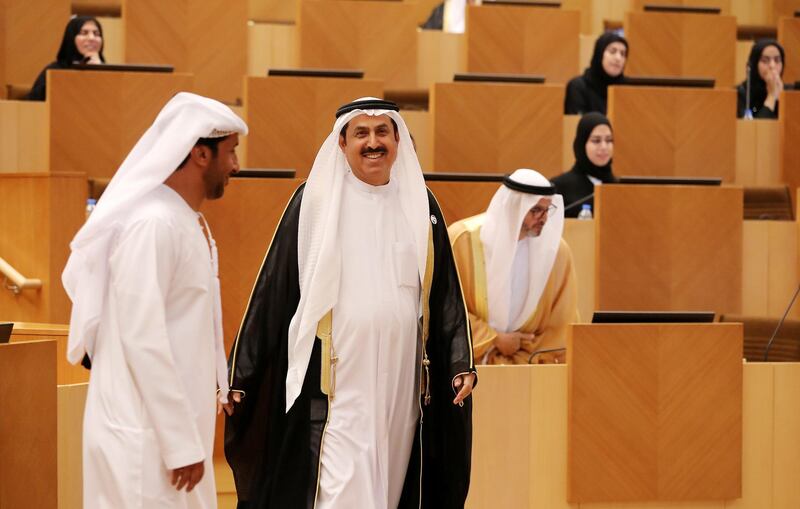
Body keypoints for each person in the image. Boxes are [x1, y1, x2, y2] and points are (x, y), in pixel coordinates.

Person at [224, 97, 476, 508]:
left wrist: (460, 360)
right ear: (342, 143)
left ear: (398, 141)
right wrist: (242, 369)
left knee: (392, 488)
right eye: (361, 133)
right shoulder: (316, 203)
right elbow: (273, 289)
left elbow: (445, 292)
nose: (372, 143)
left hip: (402, 383)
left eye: (382, 133)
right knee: (342, 490)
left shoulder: (421, 204)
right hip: (337, 384)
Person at [61, 92, 248, 508]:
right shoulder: (153, 224)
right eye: (231, 152)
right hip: (143, 438)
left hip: (165, 438)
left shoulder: (181, 219)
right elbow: (141, 337)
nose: (235, 165)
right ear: (201, 154)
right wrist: (180, 443)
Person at [448, 169, 578, 365]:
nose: (543, 218)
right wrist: (493, 339)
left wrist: (522, 354)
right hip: (467, 365)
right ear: (513, 207)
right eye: (535, 210)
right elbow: (446, 307)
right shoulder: (462, 240)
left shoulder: (557, 252)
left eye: (547, 210)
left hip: (530, 368)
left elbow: (562, 323)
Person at [551, 112, 617, 217]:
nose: (604, 147)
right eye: (596, 141)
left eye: (609, 140)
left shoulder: (617, 187)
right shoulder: (558, 188)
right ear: (581, 144)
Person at [27, 15, 106, 101]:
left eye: (96, 34)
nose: (91, 38)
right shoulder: (54, 71)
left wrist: (99, 70)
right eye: (84, 33)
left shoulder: (110, 73)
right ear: (71, 38)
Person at [564, 31, 628, 115]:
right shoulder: (578, 86)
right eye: (612, 51)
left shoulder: (627, 88)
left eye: (623, 54)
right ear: (599, 54)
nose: (618, 58)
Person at [737, 39, 786, 119]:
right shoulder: (742, 94)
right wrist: (772, 96)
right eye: (765, 60)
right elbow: (754, 130)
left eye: (777, 60)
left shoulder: (787, 94)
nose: (772, 66)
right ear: (754, 65)